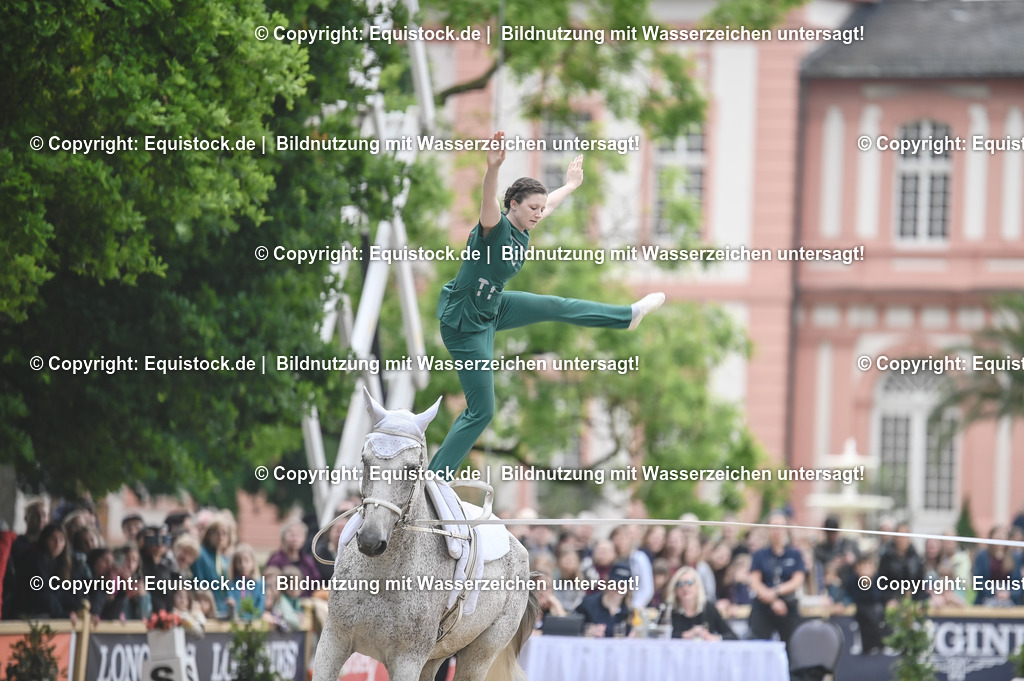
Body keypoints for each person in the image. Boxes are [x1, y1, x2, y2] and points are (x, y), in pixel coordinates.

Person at [427, 131, 665, 478]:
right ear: (513, 206)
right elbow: (487, 200)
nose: (539, 214)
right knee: (482, 411)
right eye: (532, 208)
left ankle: (627, 316)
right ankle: (434, 479)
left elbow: (549, 202)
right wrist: (492, 168)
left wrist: (570, 185)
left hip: (493, 307)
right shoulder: (494, 228)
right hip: (464, 323)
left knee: (555, 305)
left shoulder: (525, 228)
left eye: (540, 209)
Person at [748, 511, 806, 644]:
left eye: (780, 526)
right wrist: (772, 600)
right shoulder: (759, 555)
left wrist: (776, 592)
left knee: (792, 645)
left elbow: (797, 580)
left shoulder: (795, 554)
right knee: (759, 644)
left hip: (788, 606)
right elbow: (754, 581)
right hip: (763, 606)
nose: (777, 531)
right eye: (773, 527)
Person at [664, 566, 737, 640]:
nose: (685, 587)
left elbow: (733, 636)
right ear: (675, 589)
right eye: (680, 584)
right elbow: (658, 635)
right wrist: (684, 635)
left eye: (690, 583)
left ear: (698, 586)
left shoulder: (708, 608)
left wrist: (715, 637)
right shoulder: (668, 609)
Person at [575, 562, 633, 638]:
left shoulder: (629, 611)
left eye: (623, 585)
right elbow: (573, 630)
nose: (618, 589)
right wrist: (586, 632)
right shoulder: (588, 605)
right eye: (614, 584)